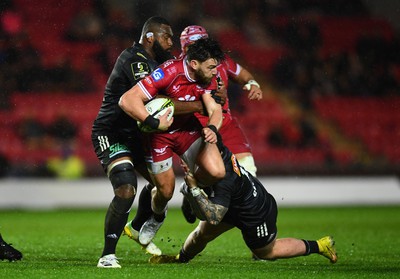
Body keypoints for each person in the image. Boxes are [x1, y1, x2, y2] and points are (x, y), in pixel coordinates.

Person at [149, 139, 338, 264]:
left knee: (265, 253)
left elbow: (213, 216)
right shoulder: (213, 152)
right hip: (231, 205)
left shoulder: (223, 180)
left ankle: (320, 245)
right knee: (201, 235)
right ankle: (179, 261)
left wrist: (193, 190)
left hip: (255, 211)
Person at [119, 38, 226, 250]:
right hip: (160, 136)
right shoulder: (169, 72)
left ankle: (189, 187)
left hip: (188, 130)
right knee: (165, 192)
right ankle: (157, 217)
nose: (215, 72)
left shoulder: (208, 77)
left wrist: (212, 128)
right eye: (211, 67)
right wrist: (153, 122)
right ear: (194, 64)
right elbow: (127, 100)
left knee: (217, 172)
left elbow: (215, 111)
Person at [91, 16, 174, 268]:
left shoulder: (159, 62)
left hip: (138, 136)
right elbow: (149, 99)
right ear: (150, 37)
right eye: (166, 37)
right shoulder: (135, 59)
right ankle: (107, 256)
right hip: (112, 133)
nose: (171, 42)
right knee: (126, 188)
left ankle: (137, 227)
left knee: (163, 187)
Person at [178, 25, 263, 224]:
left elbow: (242, 74)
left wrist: (252, 84)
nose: (198, 48)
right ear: (184, 49)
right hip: (197, 128)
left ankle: (255, 230)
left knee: (249, 173)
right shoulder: (177, 70)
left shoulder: (221, 61)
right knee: (214, 174)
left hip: (225, 124)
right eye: (192, 45)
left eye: (201, 43)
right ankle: (193, 190)